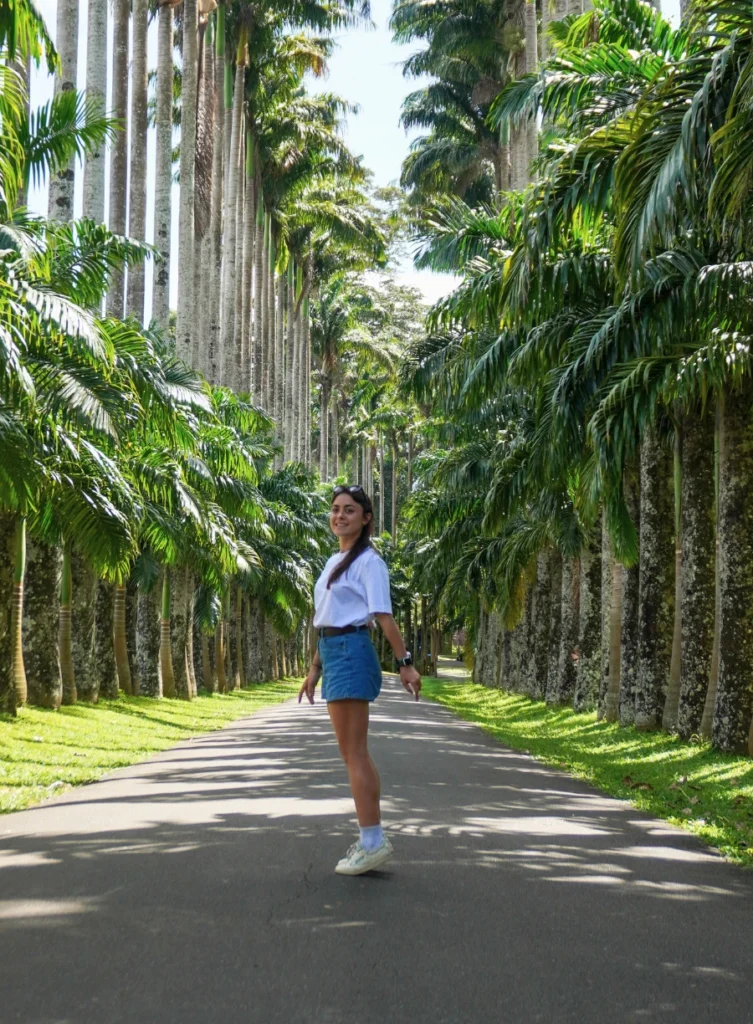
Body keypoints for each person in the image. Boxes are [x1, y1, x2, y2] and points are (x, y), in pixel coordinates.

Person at [298, 484, 422, 876]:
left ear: (366, 518)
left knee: (354, 753)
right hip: (335, 651)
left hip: (351, 652)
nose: (340, 516)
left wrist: (405, 663)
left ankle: (372, 842)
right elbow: (328, 619)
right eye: (336, 509)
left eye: (349, 510)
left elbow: (382, 616)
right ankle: (371, 839)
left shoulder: (369, 562)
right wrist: (315, 669)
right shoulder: (336, 559)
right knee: (354, 753)